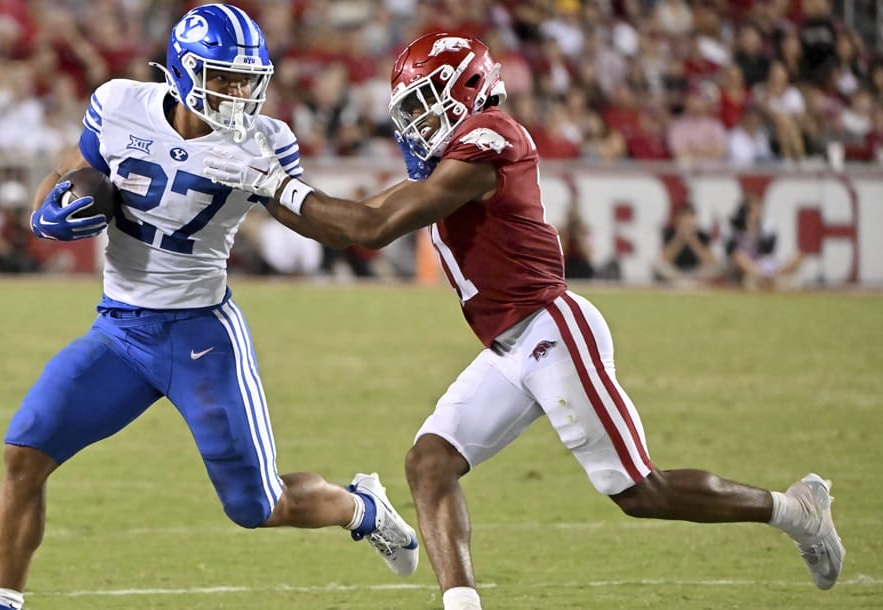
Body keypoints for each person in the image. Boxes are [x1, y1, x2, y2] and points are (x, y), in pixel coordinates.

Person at [204, 32, 845, 610]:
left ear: (468, 92)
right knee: (429, 463)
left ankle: (796, 511)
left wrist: (273, 184)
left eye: (427, 101)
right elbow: (354, 221)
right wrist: (268, 187)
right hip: (510, 345)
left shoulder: (491, 137)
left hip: (551, 329)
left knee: (641, 492)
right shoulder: (455, 155)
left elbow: (370, 228)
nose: (417, 120)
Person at [0, 6, 418, 610]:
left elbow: (321, 228)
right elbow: (67, 172)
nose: (238, 92)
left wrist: (274, 183)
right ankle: (2, 605)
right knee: (25, 451)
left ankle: (360, 505)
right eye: (223, 76)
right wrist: (45, 213)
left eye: (246, 78)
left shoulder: (265, 139)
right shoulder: (120, 104)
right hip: (120, 331)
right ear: (183, 70)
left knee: (257, 505)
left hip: (200, 337)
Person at [725, 193, 805, 291]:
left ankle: (769, 278)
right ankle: (768, 279)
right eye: (755, 210)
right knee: (739, 257)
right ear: (746, 212)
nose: (758, 213)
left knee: (798, 255)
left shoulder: (767, 228)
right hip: (747, 267)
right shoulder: (735, 230)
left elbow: (769, 251)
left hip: (764, 264)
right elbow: (731, 253)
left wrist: (758, 234)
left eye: (759, 210)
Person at [654, 204, 722, 287]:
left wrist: (693, 240)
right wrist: (679, 239)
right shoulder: (670, 233)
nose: (687, 221)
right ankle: (684, 283)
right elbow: (664, 259)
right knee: (657, 266)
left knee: (717, 268)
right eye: (685, 217)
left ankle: (688, 283)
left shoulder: (702, 235)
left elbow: (710, 261)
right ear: (679, 219)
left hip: (696, 272)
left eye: (690, 217)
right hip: (676, 271)